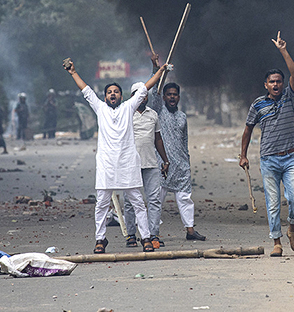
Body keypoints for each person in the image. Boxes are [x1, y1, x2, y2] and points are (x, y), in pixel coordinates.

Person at [64, 58, 168, 253]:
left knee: (138, 201)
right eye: (109, 92)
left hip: (128, 163)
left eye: (116, 92)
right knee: (102, 204)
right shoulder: (100, 108)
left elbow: (146, 87)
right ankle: (100, 239)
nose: (113, 94)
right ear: (105, 98)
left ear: (122, 96)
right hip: (107, 165)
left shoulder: (128, 108)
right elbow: (86, 91)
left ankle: (145, 237)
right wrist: (73, 73)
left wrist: (160, 71)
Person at [240, 32, 294, 257]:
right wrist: (243, 155)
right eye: (272, 82)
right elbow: (247, 129)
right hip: (268, 159)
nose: (276, 84)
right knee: (273, 203)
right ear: (266, 84)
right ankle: (276, 242)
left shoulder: (289, 96)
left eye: (279, 81)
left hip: (290, 157)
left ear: (283, 84)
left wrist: (283, 50)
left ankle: (293, 229)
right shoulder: (258, 105)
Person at [149, 56, 205, 242]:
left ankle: (190, 231)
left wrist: (187, 163)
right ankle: (153, 233)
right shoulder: (158, 112)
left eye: (175, 94)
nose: (172, 97)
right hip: (161, 165)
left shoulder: (182, 117)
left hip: (181, 165)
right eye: (169, 94)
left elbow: (185, 141)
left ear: (178, 97)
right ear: (164, 97)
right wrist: (159, 71)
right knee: (156, 201)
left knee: (185, 199)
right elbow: (154, 94)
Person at [123, 82, 171, 249]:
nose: (142, 97)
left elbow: (158, 139)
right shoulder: (125, 113)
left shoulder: (153, 115)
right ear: (132, 96)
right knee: (130, 201)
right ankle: (131, 234)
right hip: (130, 164)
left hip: (151, 163)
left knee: (154, 200)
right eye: (138, 94)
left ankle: (154, 234)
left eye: (144, 94)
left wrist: (165, 160)